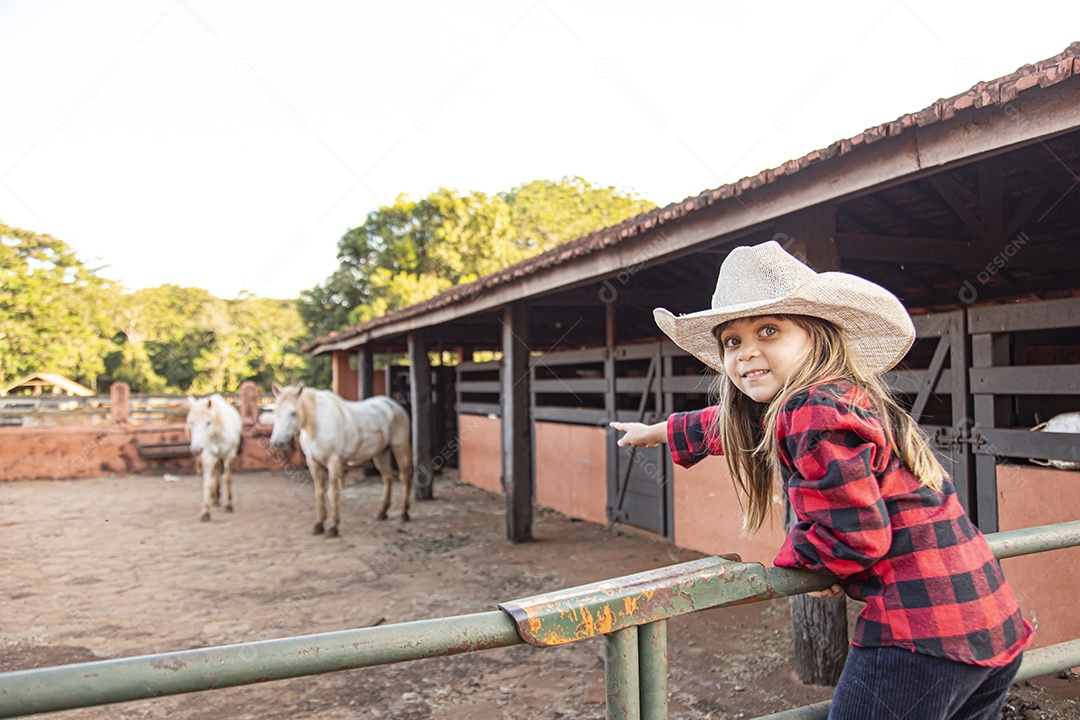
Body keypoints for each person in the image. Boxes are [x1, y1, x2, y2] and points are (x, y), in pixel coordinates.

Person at [611, 241, 1031, 720]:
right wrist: (660, 431)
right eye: (732, 341)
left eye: (769, 330)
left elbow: (855, 535)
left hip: (923, 633)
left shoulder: (808, 408)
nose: (746, 352)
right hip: (989, 618)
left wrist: (808, 564)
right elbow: (736, 423)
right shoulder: (844, 396)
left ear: (816, 336)